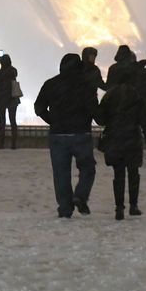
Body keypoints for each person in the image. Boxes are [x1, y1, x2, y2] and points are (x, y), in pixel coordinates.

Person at [34, 53, 98, 218]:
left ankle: (65, 208)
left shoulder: (51, 84)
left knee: (61, 172)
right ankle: (80, 195)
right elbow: (94, 109)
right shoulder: (86, 85)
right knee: (87, 168)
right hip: (81, 132)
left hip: (58, 134)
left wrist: (53, 120)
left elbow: (39, 107)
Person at [96, 68, 146, 220]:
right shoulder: (137, 95)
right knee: (134, 173)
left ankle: (119, 208)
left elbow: (100, 119)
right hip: (132, 138)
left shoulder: (109, 95)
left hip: (115, 137)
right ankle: (133, 206)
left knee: (118, 174)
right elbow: (144, 120)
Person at [0, 53, 21, 149]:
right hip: (12, 97)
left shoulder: (0, 72)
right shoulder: (13, 71)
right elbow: (14, 73)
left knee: (2, 122)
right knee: (13, 121)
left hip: (1, 98)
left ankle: (1, 144)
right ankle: (14, 144)